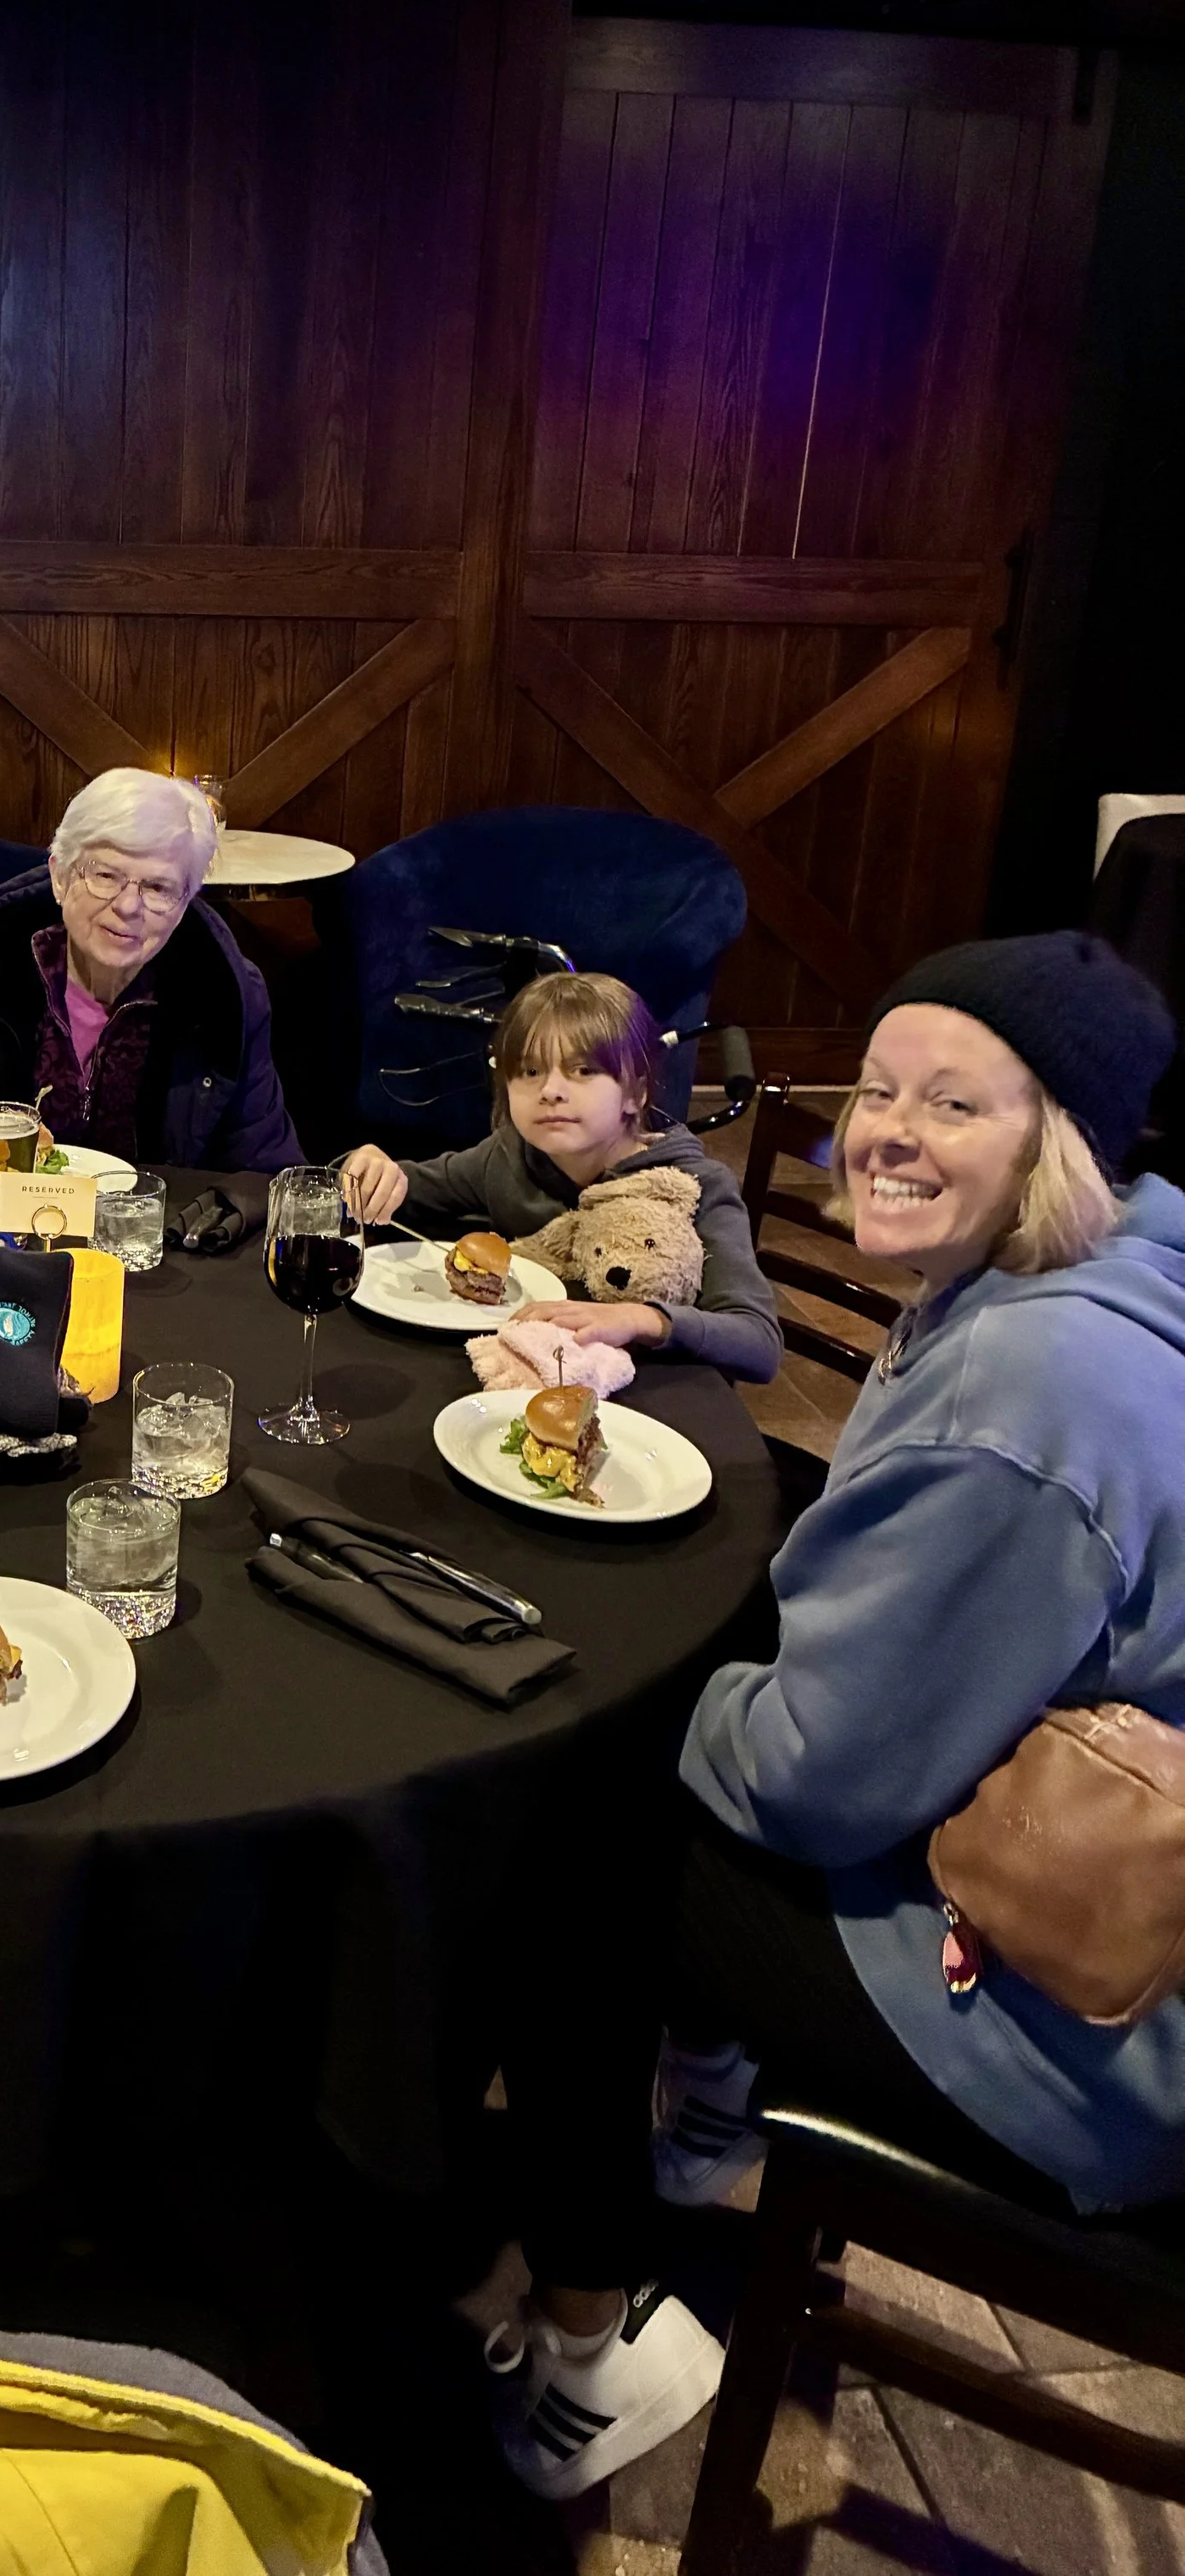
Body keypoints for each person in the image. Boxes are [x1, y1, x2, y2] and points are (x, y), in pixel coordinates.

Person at [486, 931, 1185, 2506]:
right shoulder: (1110, 1267)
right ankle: (708, 2091)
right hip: (1055, 1854)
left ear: (1060, 1138)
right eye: (876, 1087)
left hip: (1092, 2029)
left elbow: (814, 1780)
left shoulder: (1041, 1383)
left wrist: (650, 1688)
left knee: (580, 1837)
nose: (884, 1131)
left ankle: (595, 2343)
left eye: (954, 1102)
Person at [0, 768, 304, 1174]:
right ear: (59, 877)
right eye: (106, 876)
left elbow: (265, 1176)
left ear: (186, 902)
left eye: (158, 887)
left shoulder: (226, 993)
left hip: (155, 1251)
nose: (129, 907)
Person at [340, 970, 779, 1382]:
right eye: (530, 1071)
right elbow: (393, 1190)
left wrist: (643, 1318)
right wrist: (365, 1170)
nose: (550, 1090)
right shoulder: (508, 1156)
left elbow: (759, 1342)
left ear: (635, 1093)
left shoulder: (697, 1185)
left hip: (654, 1403)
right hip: (527, 1378)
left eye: (583, 1070)